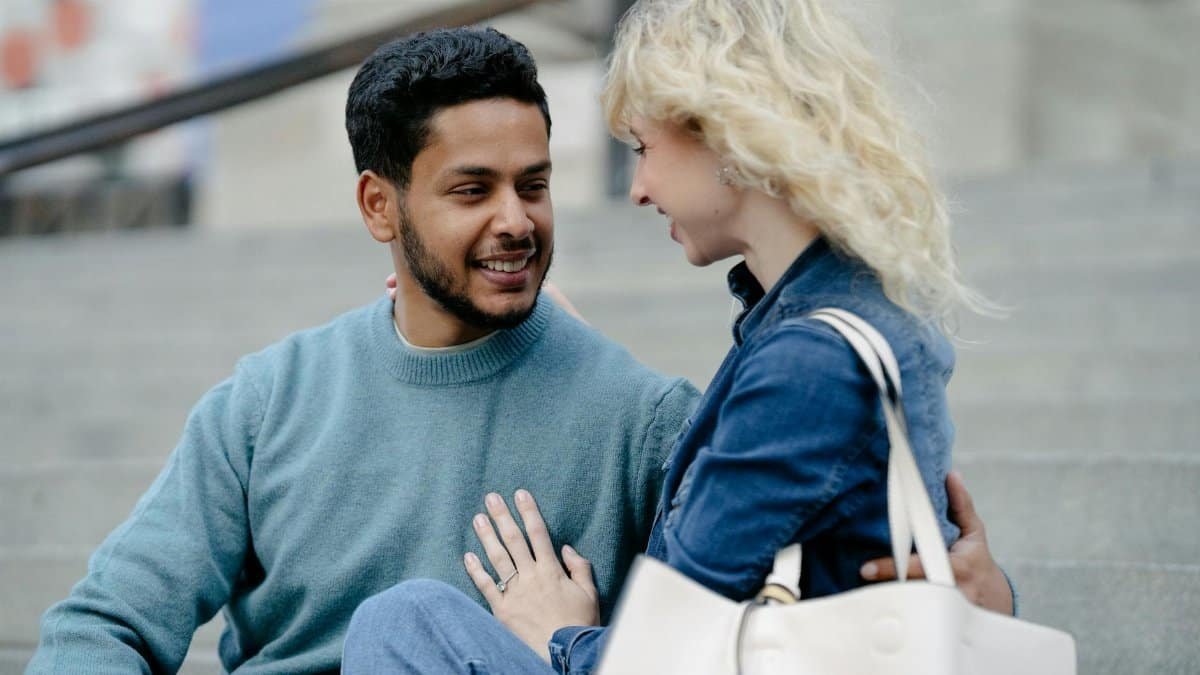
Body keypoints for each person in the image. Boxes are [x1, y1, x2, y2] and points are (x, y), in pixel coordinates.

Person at [28, 25, 1009, 675]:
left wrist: (987, 591)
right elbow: (103, 626)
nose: (517, 221)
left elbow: (815, 624)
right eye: (472, 190)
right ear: (381, 206)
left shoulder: (646, 418)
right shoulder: (268, 402)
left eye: (534, 185)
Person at [340, 2, 1011, 673]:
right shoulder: (845, 310)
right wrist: (579, 357)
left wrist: (562, 632)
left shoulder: (811, 362)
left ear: (728, 133)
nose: (638, 188)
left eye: (644, 148)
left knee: (403, 624)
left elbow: (657, 656)